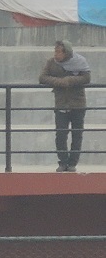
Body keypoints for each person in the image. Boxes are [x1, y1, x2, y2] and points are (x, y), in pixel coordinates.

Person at [41, 41, 90, 171]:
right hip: (61, 103)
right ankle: (62, 162)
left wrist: (70, 80)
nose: (56, 55)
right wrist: (59, 82)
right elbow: (42, 77)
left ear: (66, 52)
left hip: (78, 104)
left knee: (77, 134)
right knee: (61, 134)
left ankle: (73, 163)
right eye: (55, 51)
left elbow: (86, 78)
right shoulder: (51, 63)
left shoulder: (80, 61)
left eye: (59, 52)